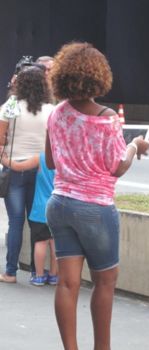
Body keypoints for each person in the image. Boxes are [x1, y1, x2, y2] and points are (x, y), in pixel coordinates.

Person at [45, 42, 149, 350]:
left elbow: (51, 162)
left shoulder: (56, 114)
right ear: (98, 76)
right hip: (94, 208)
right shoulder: (107, 119)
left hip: (59, 203)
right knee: (105, 280)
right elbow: (117, 168)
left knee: (67, 282)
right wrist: (135, 147)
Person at [0, 66, 54, 284]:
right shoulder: (51, 109)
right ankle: (37, 272)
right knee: (36, 221)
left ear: (18, 83)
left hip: (14, 168)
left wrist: (4, 160)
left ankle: (10, 272)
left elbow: (0, 137)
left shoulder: (11, 106)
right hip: (41, 170)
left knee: (15, 222)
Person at [1, 152, 57, 286]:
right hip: (57, 208)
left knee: (40, 242)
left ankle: (37, 275)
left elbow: (18, 167)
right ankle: (54, 275)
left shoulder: (41, 158)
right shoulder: (65, 158)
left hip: (40, 211)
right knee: (55, 243)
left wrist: (4, 160)